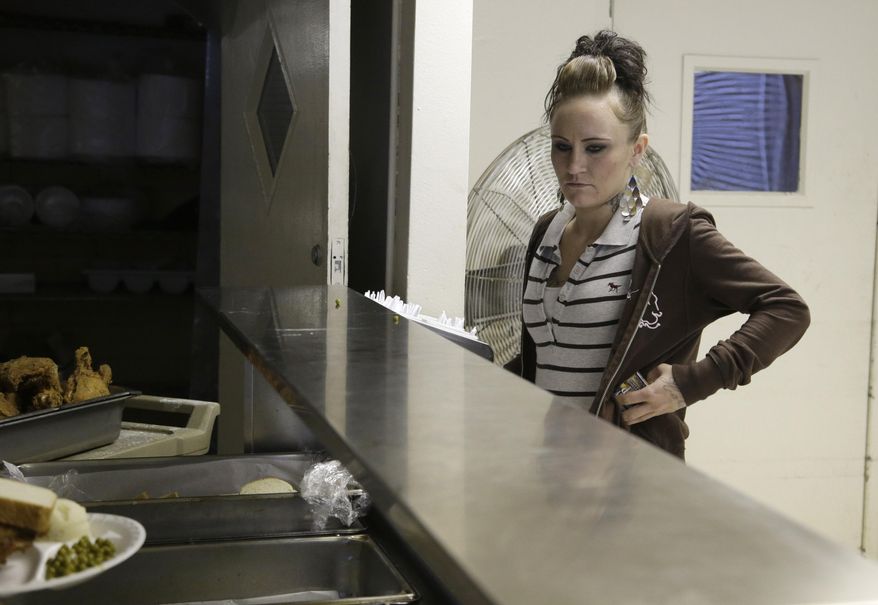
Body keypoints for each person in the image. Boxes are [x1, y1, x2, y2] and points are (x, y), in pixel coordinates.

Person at [505, 31, 810, 459]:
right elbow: (544, 363)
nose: (574, 166)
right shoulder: (546, 233)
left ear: (637, 150)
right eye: (562, 147)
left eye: (596, 148)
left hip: (631, 483)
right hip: (543, 469)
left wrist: (691, 382)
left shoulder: (668, 234)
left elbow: (787, 309)